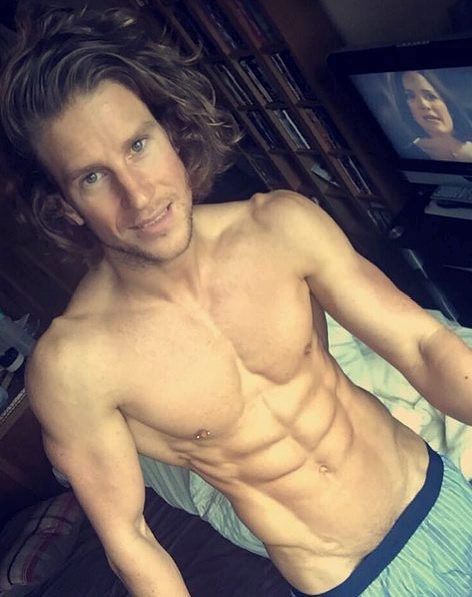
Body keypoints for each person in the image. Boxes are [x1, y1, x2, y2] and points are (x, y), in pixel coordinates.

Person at [1, 7, 472, 596]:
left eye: (138, 145)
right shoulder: (74, 365)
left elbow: (422, 345)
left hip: (437, 489)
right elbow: (131, 539)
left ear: (172, 133)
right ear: (64, 205)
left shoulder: (281, 225)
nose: (139, 195)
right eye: (92, 177)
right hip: (351, 578)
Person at [388, 69, 472, 162]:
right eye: (410, 96)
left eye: (430, 96)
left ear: (449, 103)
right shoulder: (409, 155)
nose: (423, 105)